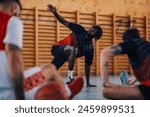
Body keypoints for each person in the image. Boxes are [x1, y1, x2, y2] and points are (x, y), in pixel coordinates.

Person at [0, 0, 83, 100]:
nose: (17, 17)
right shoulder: (11, 21)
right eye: (17, 14)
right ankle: (68, 92)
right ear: (14, 9)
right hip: (6, 92)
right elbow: (14, 59)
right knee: (51, 70)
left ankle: (67, 90)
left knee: (50, 67)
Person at [47, 4, 103, 87]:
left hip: (63, 57)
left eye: (94, 30)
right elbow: (63, 21)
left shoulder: (89, 48)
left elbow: (87, 65)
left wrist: (87, 83)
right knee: (74, 50)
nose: (91, 29)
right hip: (58, 48)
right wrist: (55, 13)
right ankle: (70, 78)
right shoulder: (80, 29)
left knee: (48, 73)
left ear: (96, 36)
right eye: (92, 28)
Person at [100, 28, 150, 100]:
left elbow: (105, 53)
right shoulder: (146, 44)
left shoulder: (131, 43)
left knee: (107, 91)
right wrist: (135, 79)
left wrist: (106, 82)